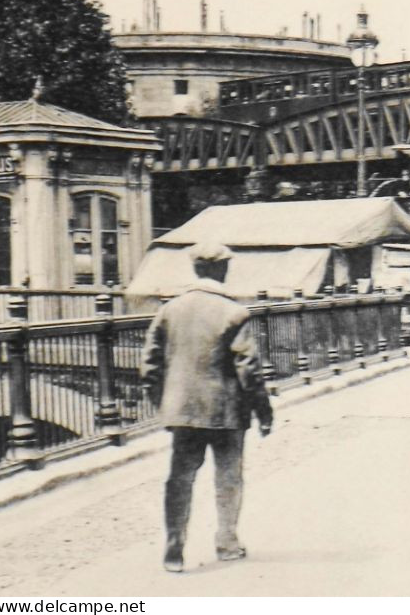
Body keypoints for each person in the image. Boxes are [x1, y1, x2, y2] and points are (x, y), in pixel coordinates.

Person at [141, 242, 274, 573]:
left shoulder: (170, 309)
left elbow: (150, 365)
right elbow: (249, 368)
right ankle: (227, 542)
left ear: (195, 269)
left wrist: (164, 402)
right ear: (220, 270)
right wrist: (264, 411)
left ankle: (174, 548)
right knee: (228, 476)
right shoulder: (234, 312)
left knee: (180, 477)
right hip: (227, 412)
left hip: (184, 411)